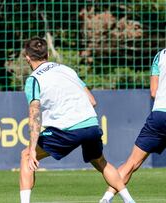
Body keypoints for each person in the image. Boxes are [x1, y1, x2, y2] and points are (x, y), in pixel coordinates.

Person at [19, 37, 135, 203]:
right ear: (48, 54)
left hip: (66, 130)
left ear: (27, 57)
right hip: (90, 124)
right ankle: (129, 199)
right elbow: (92, 100)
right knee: (100, 162)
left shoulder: (34, 79)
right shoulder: (66, 70)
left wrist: (32, 149)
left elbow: (34, 113)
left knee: (25, 156)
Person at [99, 48, 166, 203]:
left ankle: (106, 198)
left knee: (132, 163)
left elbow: (154, 92)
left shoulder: (160, 55)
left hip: (159, 115)